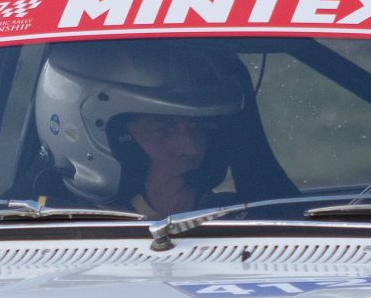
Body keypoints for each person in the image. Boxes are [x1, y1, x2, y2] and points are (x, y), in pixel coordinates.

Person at [30, 41, 251, 217]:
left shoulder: (246, 226)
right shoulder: (31, 252)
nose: (193, 149)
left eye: (199, 126)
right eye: (162, 129)